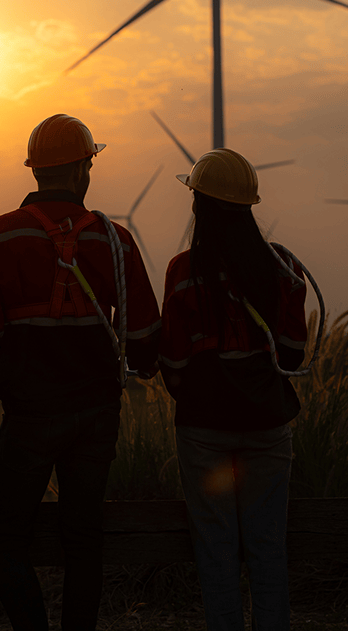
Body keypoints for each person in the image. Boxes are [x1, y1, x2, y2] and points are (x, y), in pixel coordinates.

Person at [0, 114, 161, 631]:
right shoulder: (116, 241)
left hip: (29, 415)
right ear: (81, 169)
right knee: (83, 538)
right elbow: (143, 341)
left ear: (35, 171)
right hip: (97, 415)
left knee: (3, 540)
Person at [158, 149, 308, 631]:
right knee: (268, 550)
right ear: (249, 206)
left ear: (199, 206)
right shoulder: (282, 268)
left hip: (204, 431)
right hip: (267, 425)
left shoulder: (183, 273)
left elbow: (174, 363)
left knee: (216, 552)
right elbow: (291, 354)